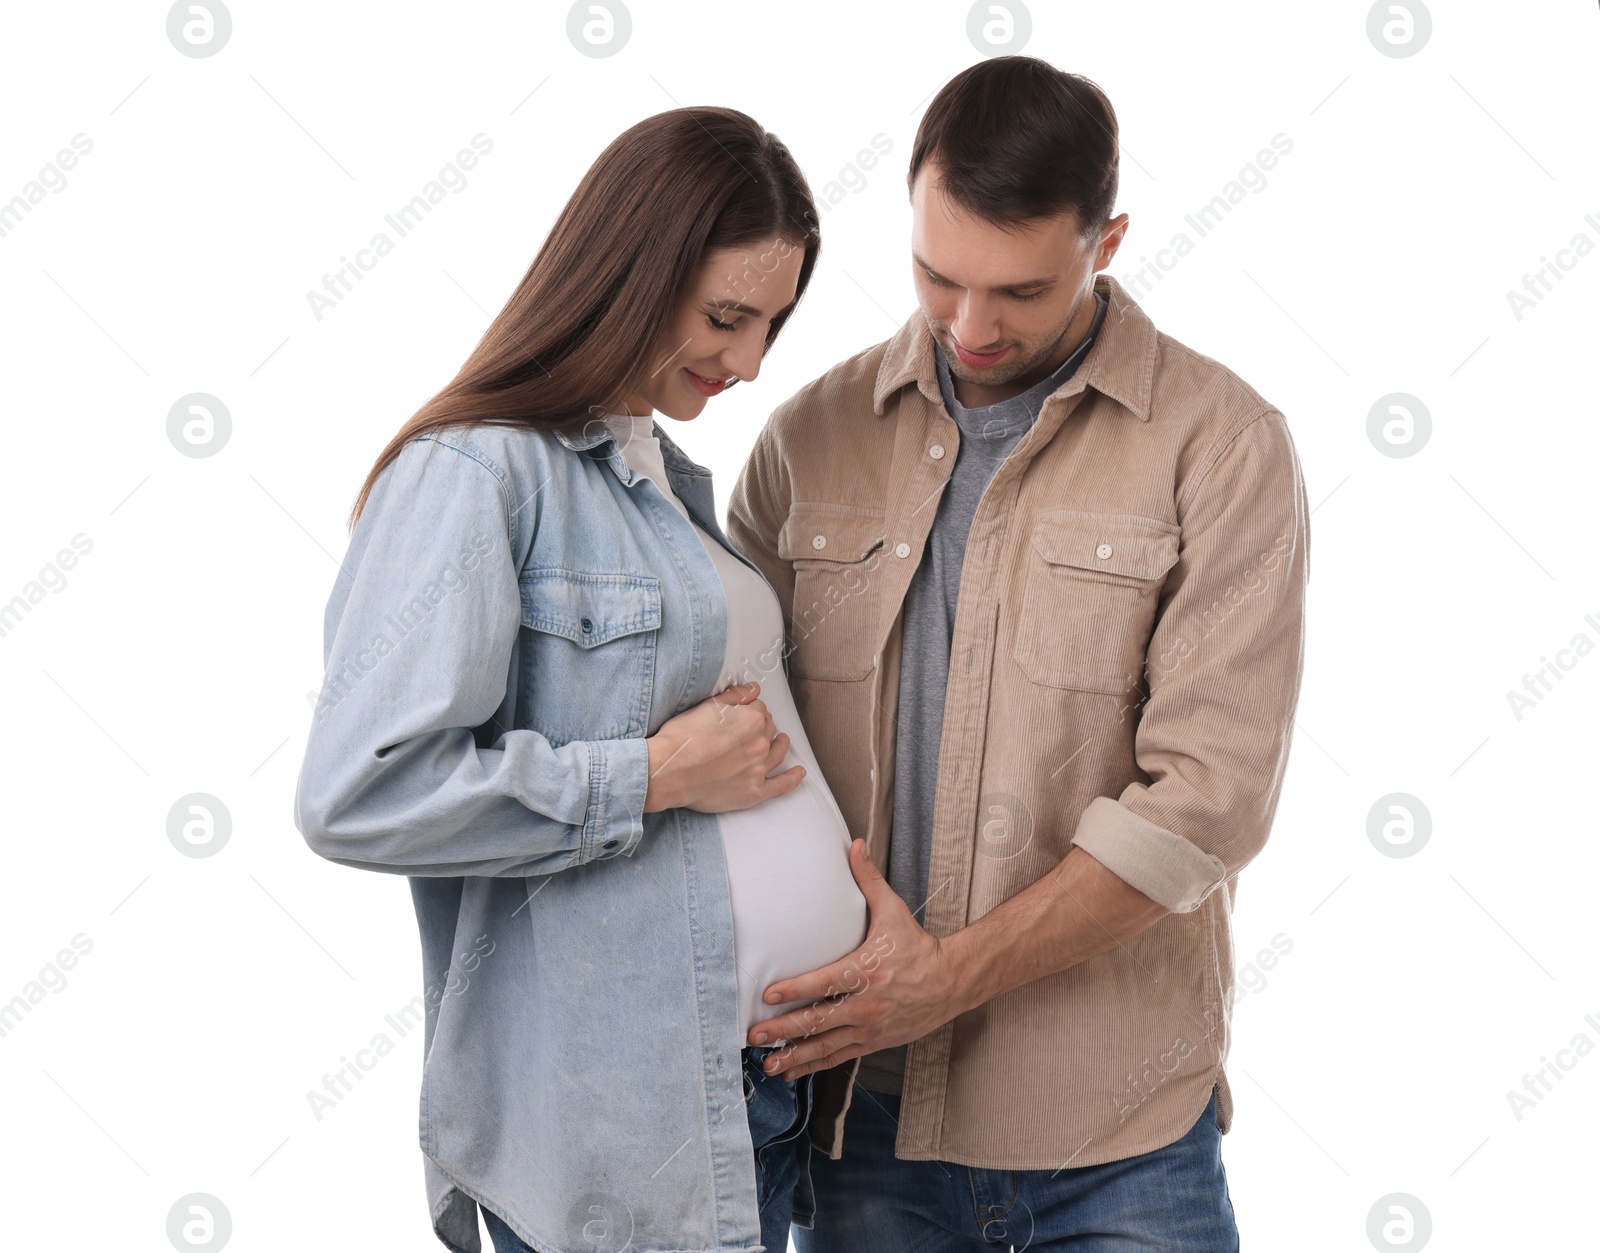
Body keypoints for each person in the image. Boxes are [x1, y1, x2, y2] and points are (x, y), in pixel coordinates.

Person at [726, 56, 1310, 1250]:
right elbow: (735, 736)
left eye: (1021, 291)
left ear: (1111, 241)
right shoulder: (806, 438)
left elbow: (1207, 801)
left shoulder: (1225, 446)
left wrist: (944, 976)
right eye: (937, 277)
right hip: (857, 1123)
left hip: (1117, 1131)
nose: (970, 326)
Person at [292, 106, 867, 1253]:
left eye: (773, 325)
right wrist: (648, 775)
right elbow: (358, 791)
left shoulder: (672, 474)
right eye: (725, 316)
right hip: (625, 1129)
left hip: (765, 1091)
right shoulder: (476, 471)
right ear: (630, 268)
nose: (750, 363)